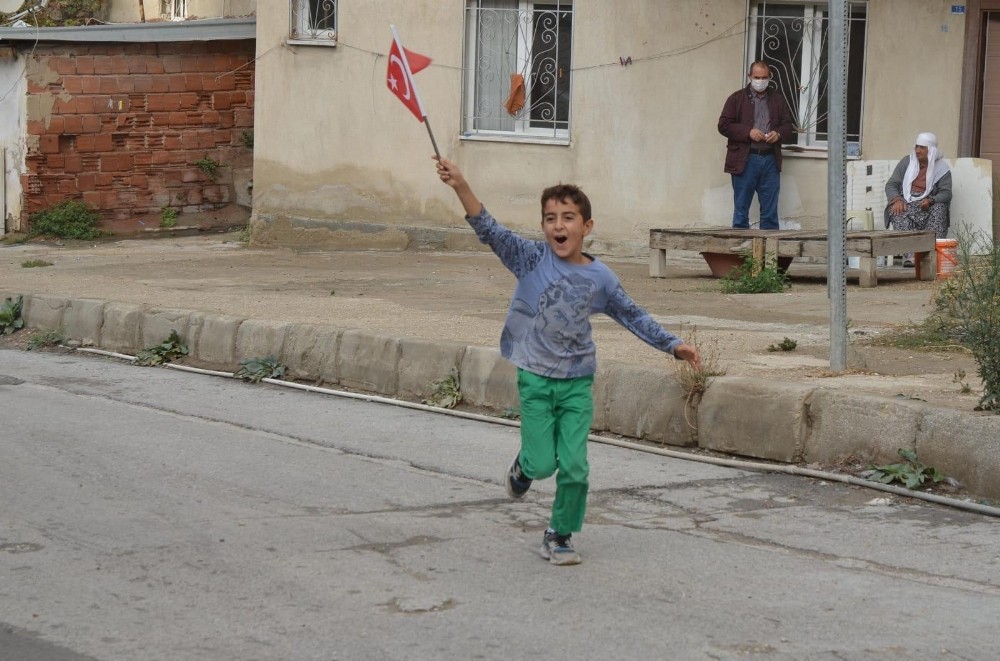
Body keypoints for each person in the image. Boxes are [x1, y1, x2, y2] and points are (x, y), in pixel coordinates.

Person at [434, 156, 701, 566]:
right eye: (550, 218)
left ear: (587, 226)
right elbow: (488, 228)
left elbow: (633, 315)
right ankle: (523, 469)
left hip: (577, 382)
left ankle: (559, 534)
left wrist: (673, 345)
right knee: (542, 464)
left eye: (569, 218)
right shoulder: (530, 259)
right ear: (543, 227)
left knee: (575, 467)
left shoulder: (602, 278)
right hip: (536, 379)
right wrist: (460, 185)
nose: (559, 226)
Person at [717, 60, 796, 230]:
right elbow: (723, 125)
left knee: (770, 213)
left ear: (770, 77)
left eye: (764, 77)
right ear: (749, 77)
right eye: (757, 77)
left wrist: (779, 134)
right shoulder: (736, 99)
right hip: (745, 159)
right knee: (741, 212)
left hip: (770, 160)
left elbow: (788, 126)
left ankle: (768, 256)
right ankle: (741, 254)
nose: (760, 81)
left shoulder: (777, 100)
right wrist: (748, 132)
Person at [885, 132, 952, 266]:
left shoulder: (942, 168)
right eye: (916, 147)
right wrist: (897, 199)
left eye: (922, 147)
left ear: (931, 150)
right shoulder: (906, 162)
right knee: (897, 211)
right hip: (906, 202)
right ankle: (911, 255)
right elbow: (891, 184)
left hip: (927, 204)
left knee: (940, 208)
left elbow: (946, 193)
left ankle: (929, 254)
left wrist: (931, 200)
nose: (917, 151)